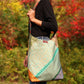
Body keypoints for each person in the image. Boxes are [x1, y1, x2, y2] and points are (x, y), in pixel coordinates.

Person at [24, 0, 58, 84]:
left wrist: (33, 19)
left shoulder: (44, 3)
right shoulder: (35, 5)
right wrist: (28, 53)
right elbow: (33, 33)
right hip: (34, 48)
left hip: (41, 47)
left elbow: (53, 26)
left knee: (37, 81)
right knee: (35, 80)